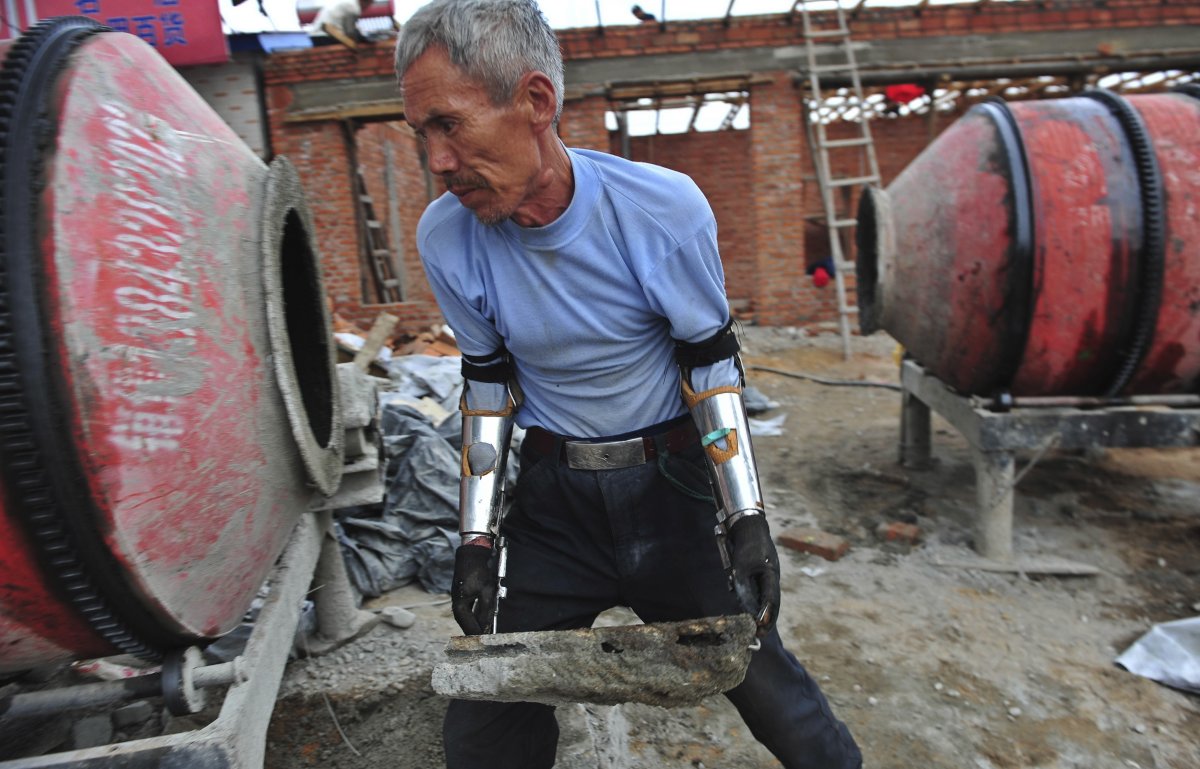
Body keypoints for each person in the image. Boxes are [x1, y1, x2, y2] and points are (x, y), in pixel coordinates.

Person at [393, 2, 862, 767]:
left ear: (536, 101)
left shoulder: (660, 211)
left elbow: (709, 366)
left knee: (769, 685)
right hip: (553, 506)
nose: (438, 161)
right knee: (489, 720)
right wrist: (476, 540)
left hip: (670, 490)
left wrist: (745, 515)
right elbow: (486, 384)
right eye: (422, 134)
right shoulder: (447, 236)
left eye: (450, 124)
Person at [308, 0, 372, 44]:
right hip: (327, 36)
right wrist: (364, 40)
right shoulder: (354, 7)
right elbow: (350, 31)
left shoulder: (344, 2)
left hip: (315, 35)